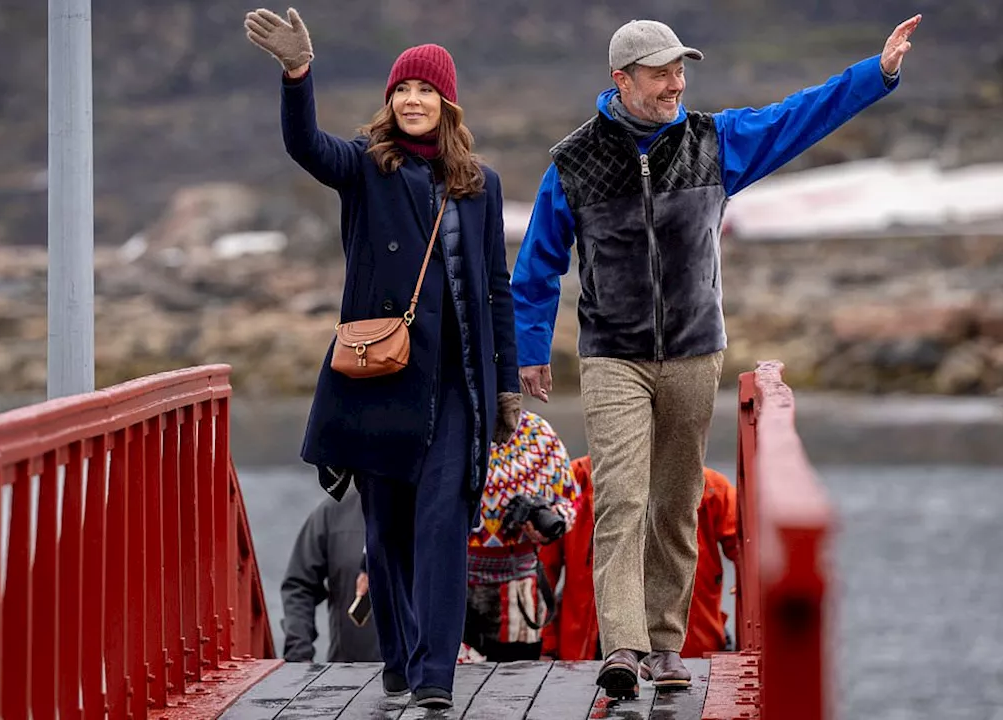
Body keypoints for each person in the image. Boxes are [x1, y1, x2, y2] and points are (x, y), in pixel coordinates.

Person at [511, 15, 920, 697]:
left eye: (681, 70)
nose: (676, 83)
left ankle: (667, 645)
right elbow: (536, 267)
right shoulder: (573, 162)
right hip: (613, 355)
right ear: (621, 79)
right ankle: (624, 648)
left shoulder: (714, 141)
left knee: (676, 501)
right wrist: (531, 350)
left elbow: (798, 118)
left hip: (696, 352)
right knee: (620, 498)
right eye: (661, 72)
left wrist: (874, 76)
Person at [245, 8, 521, 711]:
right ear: (391, 101)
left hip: (458, 387)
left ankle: (434, 677)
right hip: (383, 381)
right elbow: (306, 145)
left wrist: (507, 386)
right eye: (402, 90)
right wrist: (297, 75)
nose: (412, 101)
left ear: (447, 104)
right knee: (387, 529)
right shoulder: (368, 167)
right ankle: (399, 658)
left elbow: (495, 288)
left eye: (426, 91)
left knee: (441, 527)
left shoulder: (480, 184)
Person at [539, 457, 739, 661]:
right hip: (589, 655)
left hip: (690, 655)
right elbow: (543, 572)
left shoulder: (712, 489)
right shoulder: (575, 480)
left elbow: (749, 552)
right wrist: (547, 647)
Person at [463, 410, 579, 661]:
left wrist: (548, 522)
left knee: (515, 681)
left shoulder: (538, 433)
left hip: (518, 587)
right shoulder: (452, 424)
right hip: (454, 582)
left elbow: (570, 500)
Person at [280, 488, 382, 663]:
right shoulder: (333, 512)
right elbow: (299, 586)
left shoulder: (436, 509)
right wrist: (299, 654)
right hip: (351, 673)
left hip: (432, 677)